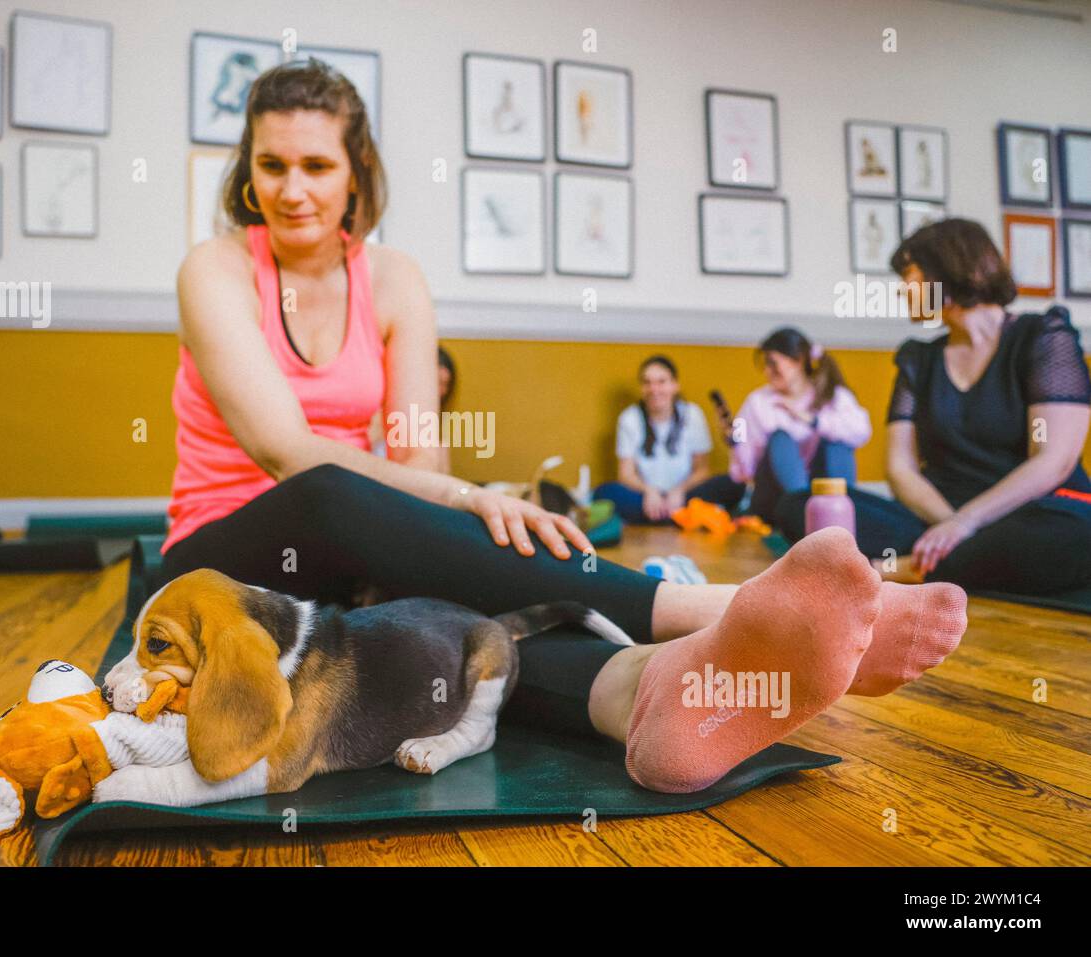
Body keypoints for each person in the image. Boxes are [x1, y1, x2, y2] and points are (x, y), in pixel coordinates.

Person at [156, 58, 966, 794]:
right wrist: (466, 498)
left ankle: (649, 692)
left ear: (356, 169)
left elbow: (419, 451)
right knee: (330, 491)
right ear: (248, 171)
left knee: (451, 626)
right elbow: (285, 451)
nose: (292, 189)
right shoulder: (215, 268)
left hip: (340, 562)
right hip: (225, 559)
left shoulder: (394, 278)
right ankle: (717, 606)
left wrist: (433, 531)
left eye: (316, 165)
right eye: (272, 165)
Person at [776, 218, 1091, 595]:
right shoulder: (918, 359)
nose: (901, 290)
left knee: (1072, 538)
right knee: (805, 504)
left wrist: (968, 522)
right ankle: (947, 561)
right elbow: (900, 468)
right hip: (937, 515)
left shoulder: (1043, 337)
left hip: (1033, 510)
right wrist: (952, 524)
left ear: (947, 271)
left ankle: (896, 568)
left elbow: (1053, 460)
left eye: (908, 276)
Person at [701, 327, 872, 524]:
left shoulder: (833, 396)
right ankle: (802, 513)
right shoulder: (757, 402)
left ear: (798, 361)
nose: (767, 371)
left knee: (837, 444)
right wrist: (735, 442)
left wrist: (814, 421)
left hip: (820, 492)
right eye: (765, 365)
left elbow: (861, 431)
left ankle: (840, 514)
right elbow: (743, 474)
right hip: (776, 499)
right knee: (780, 438)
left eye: (772, 363)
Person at [593, 355, 740, 523]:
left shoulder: (692, 414)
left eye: (661, 382)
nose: (654, 389)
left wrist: (678, 491)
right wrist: (649, 491)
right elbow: (625, 474)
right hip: (645, 496)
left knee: (733, 483)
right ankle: (679, 517)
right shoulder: (629, 418)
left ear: (675, 385)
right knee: (603, 493)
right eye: (647, 382)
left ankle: (665, 516)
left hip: (685, 493)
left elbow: (702, 470)